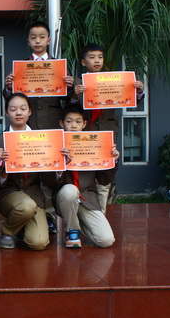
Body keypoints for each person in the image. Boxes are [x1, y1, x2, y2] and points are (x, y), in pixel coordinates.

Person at [3, 21, 74, 233]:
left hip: (52, 124)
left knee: (49, 168)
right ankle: (26, 212)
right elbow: (12, 100)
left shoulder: (59, 67)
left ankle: (49, 214)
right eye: (33, 37)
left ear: (49, 40)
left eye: (42, 37)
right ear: (28, 41)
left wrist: (70, 87)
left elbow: (69, 100)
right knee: (30, 169)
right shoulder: (21, 68)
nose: (37, 41)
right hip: (29, 126)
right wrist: (9, 88)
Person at [72, 43, 144, 213]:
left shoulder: (114, 80)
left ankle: (101, 213)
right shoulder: (77, 82)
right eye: (92, 57)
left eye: (100, 57)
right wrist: (75, 95)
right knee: (84, 173)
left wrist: (138, 91)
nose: (97, 61)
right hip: (85, 135)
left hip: (107, 133)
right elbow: (69, 108)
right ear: (83, 62)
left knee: (105, 174)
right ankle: (80, 213)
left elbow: (132, 100)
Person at [45, 104, 118, 249]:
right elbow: (49, 182)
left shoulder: (93, 144)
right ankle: (72, 231)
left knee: (106, 240)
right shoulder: (54, 145)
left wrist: (113, 161)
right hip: (64, 198)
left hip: (87, 199)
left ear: (84, 124)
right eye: (69, 121)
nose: (73, 126)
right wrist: (61, 165)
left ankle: (79, 224)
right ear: (61, 123)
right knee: (70, 190)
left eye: (78, 122)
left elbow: (103, 180)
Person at [0, 93, 49, 250]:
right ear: (6, 113)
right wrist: (2, 168)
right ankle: (8, 232)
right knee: (26, 206)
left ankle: (21, 225)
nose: (18, 113)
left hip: (34, 195)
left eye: (23, 109)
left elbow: (50, 181)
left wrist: (58, 165)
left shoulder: (42, 139)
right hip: (8, 194)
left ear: (30, 111)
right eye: (13, 109)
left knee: (38, 243)